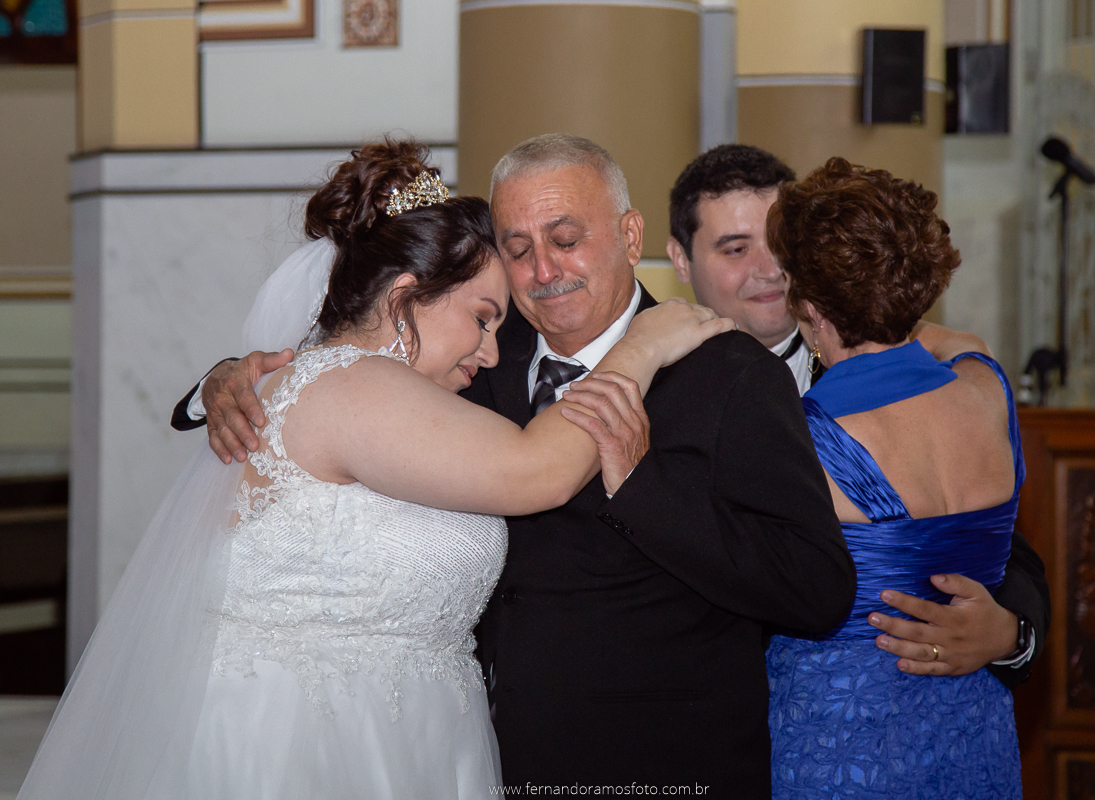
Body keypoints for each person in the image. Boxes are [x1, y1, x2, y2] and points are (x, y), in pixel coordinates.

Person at [19, 140, 730, 800]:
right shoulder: (352, 383)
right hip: (302, 738)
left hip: (413, 732)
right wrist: (638, 350)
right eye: (482, 317)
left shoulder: (367, 385)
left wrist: (222, 375)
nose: (491, 350)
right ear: (402, 298)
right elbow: (538, 471)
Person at [187, 134, 856, 798]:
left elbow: (815, 591)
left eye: (566, 239)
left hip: (650, 766)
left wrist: (645, 491)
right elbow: (325, 377)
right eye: (517, 249)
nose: (543, 269)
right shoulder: (463, 351)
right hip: (449, 751)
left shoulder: (732, 377)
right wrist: (221, 381)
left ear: (630, 235)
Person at [667, 143, 1048, 688]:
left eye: (779, 250)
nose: (769, 271)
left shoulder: (928, 386)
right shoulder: (669, 398)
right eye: (735, 249)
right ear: (680, 260)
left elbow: (1015, 558)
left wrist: (1012, 635)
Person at [763, 156, 1026, 798]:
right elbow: (951, 339)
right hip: (974, 720)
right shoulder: (986, 386)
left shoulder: (799, 437)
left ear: (812, 306)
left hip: (840, 732)